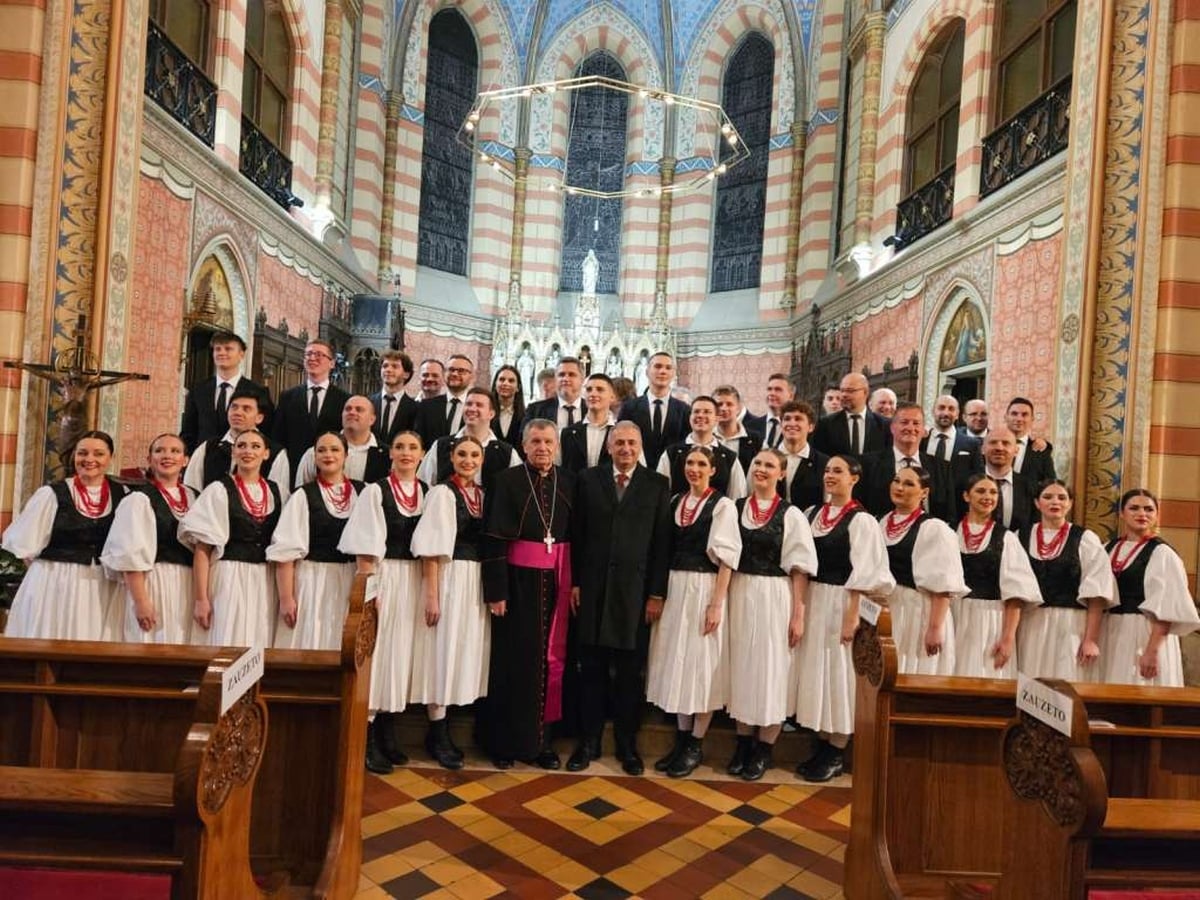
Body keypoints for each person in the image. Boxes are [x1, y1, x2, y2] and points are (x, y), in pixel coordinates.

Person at [567, 422, 673, 775]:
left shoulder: (657, 484)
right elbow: (577, 535)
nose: (626, 449)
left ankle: (628, 746)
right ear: (609, 447)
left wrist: (656, 593)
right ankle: (588, 743)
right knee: (591, 671)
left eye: (632, 443)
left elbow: (662, 544)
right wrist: (577, 583)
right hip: (594, 591)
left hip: (635, 594)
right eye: (620, 443)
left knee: (629, 674)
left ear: (640, 446)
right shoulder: (588, 479)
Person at [481, 419, 575, 769]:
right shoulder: (506, 482)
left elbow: (575, 536)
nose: (543, 448)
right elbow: (493, 540)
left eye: (549, 441)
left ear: (557, 446)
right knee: (515, 662)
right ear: (523, 446)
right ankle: (505, 743)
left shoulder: (568, 481)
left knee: (551, 661)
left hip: (557, 584)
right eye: (535, 441)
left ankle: (543, 743)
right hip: (517, 586)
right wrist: (497, 590)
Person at [792, 454, 893, 782]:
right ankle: (821, 741)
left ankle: (837, 748)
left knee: (839, 672)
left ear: (854, 478)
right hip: (817, 599)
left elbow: (865, 571)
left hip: (843, 602)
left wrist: (852, 616)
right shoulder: (812, 515)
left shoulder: (861, 520)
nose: (830, 475)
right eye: (827, 470)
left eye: (838, 471)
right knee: (816, 670)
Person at [646, 446, 742, 778]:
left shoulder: (723, 506)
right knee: (678, 663)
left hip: (704, 588)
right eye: (690, 463)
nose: (694, 468)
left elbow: (727, 559)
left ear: (713, 470)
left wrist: (717, 603)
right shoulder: (675, 502)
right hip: (675, 589)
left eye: (702, 463)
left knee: (700, 664)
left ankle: (696, 744)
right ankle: (682, 738)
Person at [339, 430, 428, 773]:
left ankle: (389, 727)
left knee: (400, 654)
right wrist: (371, 591)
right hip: (385, 575)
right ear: (390, 453)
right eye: (400, 447)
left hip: (413, 579)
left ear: (422, 454)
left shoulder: (427, 492)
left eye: (412, 447)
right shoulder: (376, 491)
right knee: (377, 653)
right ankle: (367, 734)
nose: (406, 453)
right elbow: (366, 548)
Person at [726, 449, 818, 782]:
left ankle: (764, 747)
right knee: (742, 668)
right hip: (740, 594)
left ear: (782, 473)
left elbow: (799, 569)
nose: (761, 469)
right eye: (757, 464)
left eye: (769, 465)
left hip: (774, 596)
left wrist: (798, 614)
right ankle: (742, 743)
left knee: (771, 670)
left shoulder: (791, 514)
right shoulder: (735, 508)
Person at [410, 436, 491, 769]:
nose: (468, 460)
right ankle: (437, 730)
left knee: (462, 650)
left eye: (474, 455)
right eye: (462, 454)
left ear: (482, 460)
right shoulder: (443, 493)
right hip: (449, 576)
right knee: (441, 650)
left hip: (474, 580)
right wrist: (432, 594)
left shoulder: (482, 496)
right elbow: (431, 547)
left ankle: (448, 724)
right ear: (451, 458)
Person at [3, 431, 130, 641]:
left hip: (102, 584)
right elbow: (25, 546)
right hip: (55, 581)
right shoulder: (51, 494)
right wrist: (45, 579)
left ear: (111, 458)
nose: (89, 459)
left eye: (98, 454)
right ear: (74, 457)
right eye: (83, 453)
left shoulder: (123, 494)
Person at [182, 428, 282, 647]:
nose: (248, 451)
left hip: (264, 578)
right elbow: (202, 550)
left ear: (266, 454)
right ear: (233, 452)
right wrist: (201, 599)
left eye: (255, 446)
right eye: (241, 446)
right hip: (228, 575)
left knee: (259, 641)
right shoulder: (218, 490)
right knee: (226, 636)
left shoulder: (277, 491)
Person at [101, 433, 197, 644]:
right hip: (155, 581)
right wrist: (141, 601)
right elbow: (129, 554)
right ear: (149, 459)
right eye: (159, 450)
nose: (167, 456)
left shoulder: (195, 497)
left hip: (189, 584)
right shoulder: (139, 498)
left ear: (186, 460)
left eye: (175, 451)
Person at [268, 431, 361, 650]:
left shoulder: (363, 492)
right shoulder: (303, 495)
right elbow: (286, 551)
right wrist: (286, 598)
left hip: (350, 580)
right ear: (315, 456)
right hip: (312, 580)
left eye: (335, 449)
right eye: (322, 450)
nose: (328, 455)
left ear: (346, 455)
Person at [1017, 480, 1114, 682]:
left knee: (1068, 684)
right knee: (1031, 682)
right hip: (1031, 624)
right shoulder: (1021, 536)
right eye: (1048, 497)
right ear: (1037, 502)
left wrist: (1090, 640)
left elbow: (1097, 595)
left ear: (1070, 503)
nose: (1055, 502)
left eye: (1062, 497)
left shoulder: (1085, 539)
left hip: (1072, 625)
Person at [1101, 489, 1199, 686]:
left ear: (1156, 515)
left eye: (1149, 509)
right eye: (1134, 508)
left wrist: (1152, 652)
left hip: (1145, 633)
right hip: (1111, 630)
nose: (1142, 514)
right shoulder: (1107, 548)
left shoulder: (1163, 554)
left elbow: (1167, 608)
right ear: (1122, 513)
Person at [951, 474, 1042, 679]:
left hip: (990, 620)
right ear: (966, 496)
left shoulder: (1006, 538)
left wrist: (1008, 638)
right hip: (952, 616)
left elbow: (1016, 595)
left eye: (993, 492)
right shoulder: (949, 533)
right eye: (981, 491)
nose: (988, 497)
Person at [879, 466, 966, 675]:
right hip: (890, 610)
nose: (900, 487)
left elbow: (943, 584)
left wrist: (935, 628)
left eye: (909, 484)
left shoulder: (934, 528)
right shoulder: (882, 522)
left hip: (918, 611)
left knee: (913, 671)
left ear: (924, 492)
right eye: (897, 481)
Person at [183, 389, 291, 501]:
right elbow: (191, 490)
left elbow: (278, 497)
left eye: (246, 409)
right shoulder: (207, 447)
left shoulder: (274, 452)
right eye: (234, 407)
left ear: (259, 417)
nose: (238, 413)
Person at [859, 403, 958, 522]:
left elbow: (950, 514)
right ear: (892, 428)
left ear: (924, 430)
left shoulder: (942, 467)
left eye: (916, 423)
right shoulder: (867, 464)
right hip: (882, 536)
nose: (911, 428)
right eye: (904, 422)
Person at [179, 331, 273, 452]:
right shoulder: (198, 389)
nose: (222, 353)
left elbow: (267, 430)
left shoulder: (258, 391)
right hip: (204, 458)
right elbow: (188, 431)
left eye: (228, 349)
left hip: (243, 458)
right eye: (217, 349)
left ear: (241, 354)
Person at [417, 387, 520, 490]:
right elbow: (422, 485)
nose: (472, 409)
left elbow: (516, 490)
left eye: (479, 405)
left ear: (491, 414)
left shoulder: (508, 454)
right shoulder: (440, 446)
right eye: (468, 404)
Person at [271, 339, 350, 473]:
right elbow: (277, 436)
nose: (312, 358)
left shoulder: (344, 400)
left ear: (332, 363)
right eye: (308, 354)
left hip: (330, 469)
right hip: (293, 469)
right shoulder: (288, 397)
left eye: (319, 354)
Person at [657, 396, 748, 500]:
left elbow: (737, 497)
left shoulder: (729, 458)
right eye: (696, 411)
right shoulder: (671, 453)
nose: (700, 415)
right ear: (690, 416)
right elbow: (660, 494)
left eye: (707, 412)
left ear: (717, 418)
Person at [293, 395, 389, 486]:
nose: (352, 412)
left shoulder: (387, 456)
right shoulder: (315, 453)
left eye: (359, 410)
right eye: (348, 409)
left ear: (372, 419)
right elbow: (301, 494)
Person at [617, 350, 689, 467]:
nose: (662, 371)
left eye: (668, 368)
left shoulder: (684, 410)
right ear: (647, 371)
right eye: (658, 366)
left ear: (674, 374)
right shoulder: (629, 408)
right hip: (637, 473)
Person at [812, 372, 891, 459]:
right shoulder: (825, 424)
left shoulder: (884, 425)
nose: (844, 395)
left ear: (865, 392)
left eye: (850, 391)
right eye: (842, 391)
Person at [776, 400, 828, 511]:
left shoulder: (824, 463)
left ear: (811, 427)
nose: (792, 423)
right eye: (787, 419)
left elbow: (828, 503)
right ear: (781, 425)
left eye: (798, 419)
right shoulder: (764, 458)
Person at [560, 372, 616, 474]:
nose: (593, 394)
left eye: (600, 390)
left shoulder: (621, 432)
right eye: (589, 389)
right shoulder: (567, 433)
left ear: (612, 397)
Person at [413, 354, 474, 447]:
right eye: (451, 370)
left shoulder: (476, 408)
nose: (454, 374)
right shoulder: (426, 406)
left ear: (471, 376)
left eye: (461, 371)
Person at [981, 426, 1034, 532]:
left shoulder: (1030, 486)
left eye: (1006, 443)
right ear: (982, 449)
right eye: (993, 442)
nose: (999, 448)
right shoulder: (967, 484)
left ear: (1016, 451)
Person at [926, 395, 981, 496]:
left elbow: (978, 480)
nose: (946, 413)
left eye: (951, 409)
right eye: (941, 408)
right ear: (933, 411)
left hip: (958, 505)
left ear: (957, 414)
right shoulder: (921, 441)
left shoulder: (972, 444)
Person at [523, 356, 584, 432]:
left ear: (582, 379)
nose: (565, 379)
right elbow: (524, 440)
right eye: (561, 375)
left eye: (571, 375)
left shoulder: (592, 410)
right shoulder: (535, 411)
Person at [371, 349, 418, 446]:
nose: (388, 370)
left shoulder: (415, 408)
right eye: (385, 366)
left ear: (406, 374)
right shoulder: (368, 402)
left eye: (395, 366)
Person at [1005, 397, 1056, 484]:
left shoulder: (1041, 451)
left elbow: (1050, 483)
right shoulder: (993, 445)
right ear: (1006, 417)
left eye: (1024, 415)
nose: (1019, 419)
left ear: (1032, 419)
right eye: (1014, 414)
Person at [713, 385, 762, 473]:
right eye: (719, 404)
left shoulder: (755, 439)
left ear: (738, 408)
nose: (724, 408)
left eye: (729, 404)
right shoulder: (707, 437)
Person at [744, 373, 795, 450]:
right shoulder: (749, 426)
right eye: (769, 389)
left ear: (791, 396)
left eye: (778, 390)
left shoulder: (797, 427)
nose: (772, 393)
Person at [490, 364, 525, 447]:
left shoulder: (526, 416)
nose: (506, 383)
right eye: (502, 379)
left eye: (511, 381)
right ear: (495, 384)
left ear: (518, 388)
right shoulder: (485, 413)